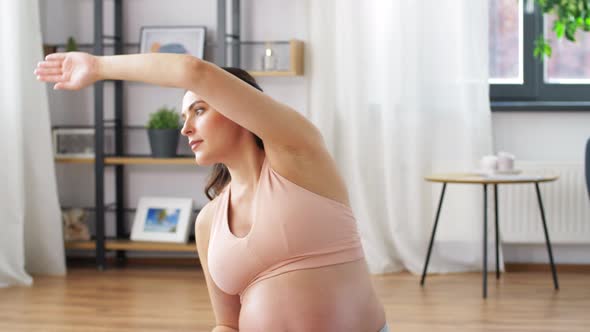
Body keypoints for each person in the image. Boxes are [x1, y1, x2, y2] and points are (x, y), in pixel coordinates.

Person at [34, 52, 388, 332]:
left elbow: (193, 70)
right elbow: (227, 323)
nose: (186, 128)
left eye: (199, 110)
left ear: (239, 108)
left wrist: (98, 66)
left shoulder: (300, 156)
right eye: (183, 117)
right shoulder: (208, 222)